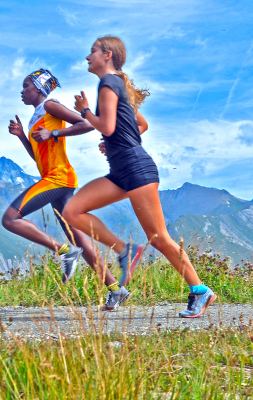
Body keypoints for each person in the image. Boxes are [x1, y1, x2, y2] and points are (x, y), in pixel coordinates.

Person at [63, 36, 217, 318]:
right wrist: (113, 143)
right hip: (121, 169)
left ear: (107, 55)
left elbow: (107, 126)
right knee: (72, 210)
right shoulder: (116, 85)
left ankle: (200, 290)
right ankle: (125, 251)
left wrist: (85, 111)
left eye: (92, 52)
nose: (88, 57)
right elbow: (140, 124)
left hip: (135, 168)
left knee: (158, 238)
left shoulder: (108, 83)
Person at [2, 68, 130, 310]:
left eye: (26, 86)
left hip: (57, 179)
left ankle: (63, 251)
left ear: (38, 89)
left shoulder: (50, 106)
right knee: (78, 237)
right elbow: (38, 155)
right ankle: (116, 289)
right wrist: (22, 136)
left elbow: (86, 124)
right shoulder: (36, 117)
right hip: (58, 179)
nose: (22, 91)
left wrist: (54, 132)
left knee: (10, 219)